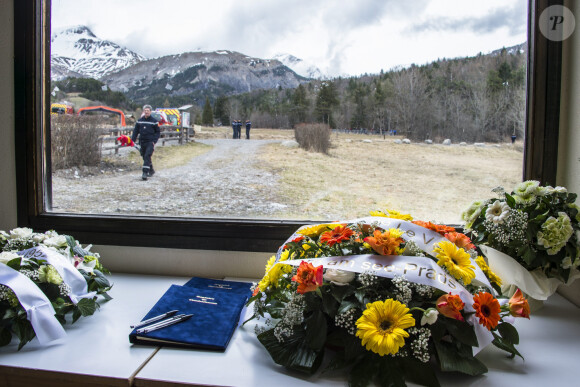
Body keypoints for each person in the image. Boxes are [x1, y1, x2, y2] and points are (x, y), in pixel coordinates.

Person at [132, 104, 160, 180]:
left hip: (150, 142)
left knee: (147, 155)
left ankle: (145, 173)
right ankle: (151, 170)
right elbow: (135, 131)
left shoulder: (154, 121)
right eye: (145, 111)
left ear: (150, 112)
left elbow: (157, 132)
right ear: (143, 111)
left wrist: (154, 141)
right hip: (142, 142)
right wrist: (132, 140)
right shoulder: (140, 121)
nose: (146, 112)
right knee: (145, 157)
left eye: (148, 111)